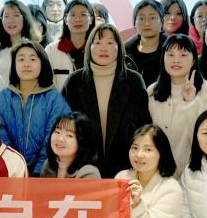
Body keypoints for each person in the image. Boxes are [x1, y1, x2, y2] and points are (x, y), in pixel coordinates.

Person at [62, 24, 152, 177]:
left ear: (119, 47)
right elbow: (64, 126)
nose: (103, 48)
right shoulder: (74, 82)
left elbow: (144, 127)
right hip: (82, 170)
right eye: (97, 43)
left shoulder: (133, 81)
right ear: (89, 47)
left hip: (125, 169)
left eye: (110, 43)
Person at [0, 41, 71, 174]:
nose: (26, 64)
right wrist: (16, 167)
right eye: (21, 59)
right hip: (9, 171)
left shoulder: (55, 100)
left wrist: (38, 173)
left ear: (42, 63)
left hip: (46, 172)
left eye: (33, 59)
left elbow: (53, 140)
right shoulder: (0, 100)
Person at [148, 35, 207, 175]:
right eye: (170, 55)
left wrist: (192, 102)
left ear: (193, 60)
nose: (176, 60)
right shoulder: (152, 92)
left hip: (195, 174)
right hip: (158, 173)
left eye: (183, 55)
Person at [46, 0, 96, 90]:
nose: (78, 19)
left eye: (83, 15)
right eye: (72, 15)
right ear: (65, 19)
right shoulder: (51, 50)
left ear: (91, 19)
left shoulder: (97, 49)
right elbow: (46, 84)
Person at [0, 0, 41, 81]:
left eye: (16, 15)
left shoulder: (36, 49)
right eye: (6, 16)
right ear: (1, 20)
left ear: (25, 18)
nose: (11, 20)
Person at [124, 0, 165, 86]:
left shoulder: (170, 49)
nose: (146, 23)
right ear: (135, 23)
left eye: (152, 18)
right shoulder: (124, 51)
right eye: (141, 18)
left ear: (162, 22)